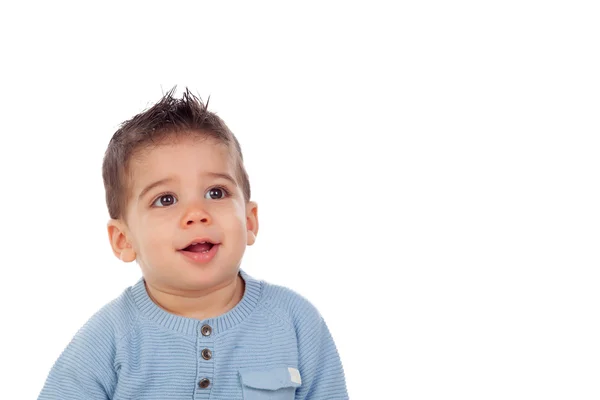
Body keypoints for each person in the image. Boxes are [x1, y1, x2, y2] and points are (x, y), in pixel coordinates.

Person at [37, 88, 348, 400]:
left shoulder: (296, 323)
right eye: (166, 199)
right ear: (124, 240)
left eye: (216, 192)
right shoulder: (108, 339)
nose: (197, 214)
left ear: (249, 220)